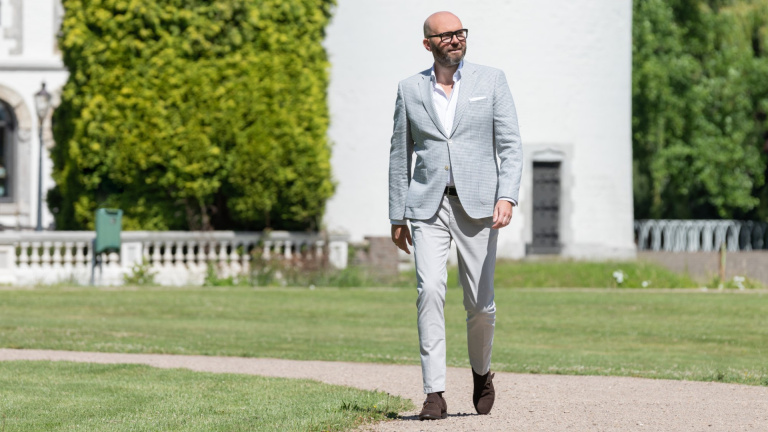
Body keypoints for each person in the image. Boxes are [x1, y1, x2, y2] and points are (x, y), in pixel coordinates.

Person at [388, 11, 523, 420]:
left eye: (459, 32)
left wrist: (507, 196)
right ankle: (434, 393)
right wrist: (397, 214)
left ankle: (482, 373)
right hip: (428, 207)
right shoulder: (409, 89)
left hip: (479, 206)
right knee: (429, 291)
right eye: (445, 35)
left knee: (480, 304)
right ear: (428, 43)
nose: (455, 39)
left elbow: (510, 145)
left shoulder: (491, 81)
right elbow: (400, 155)